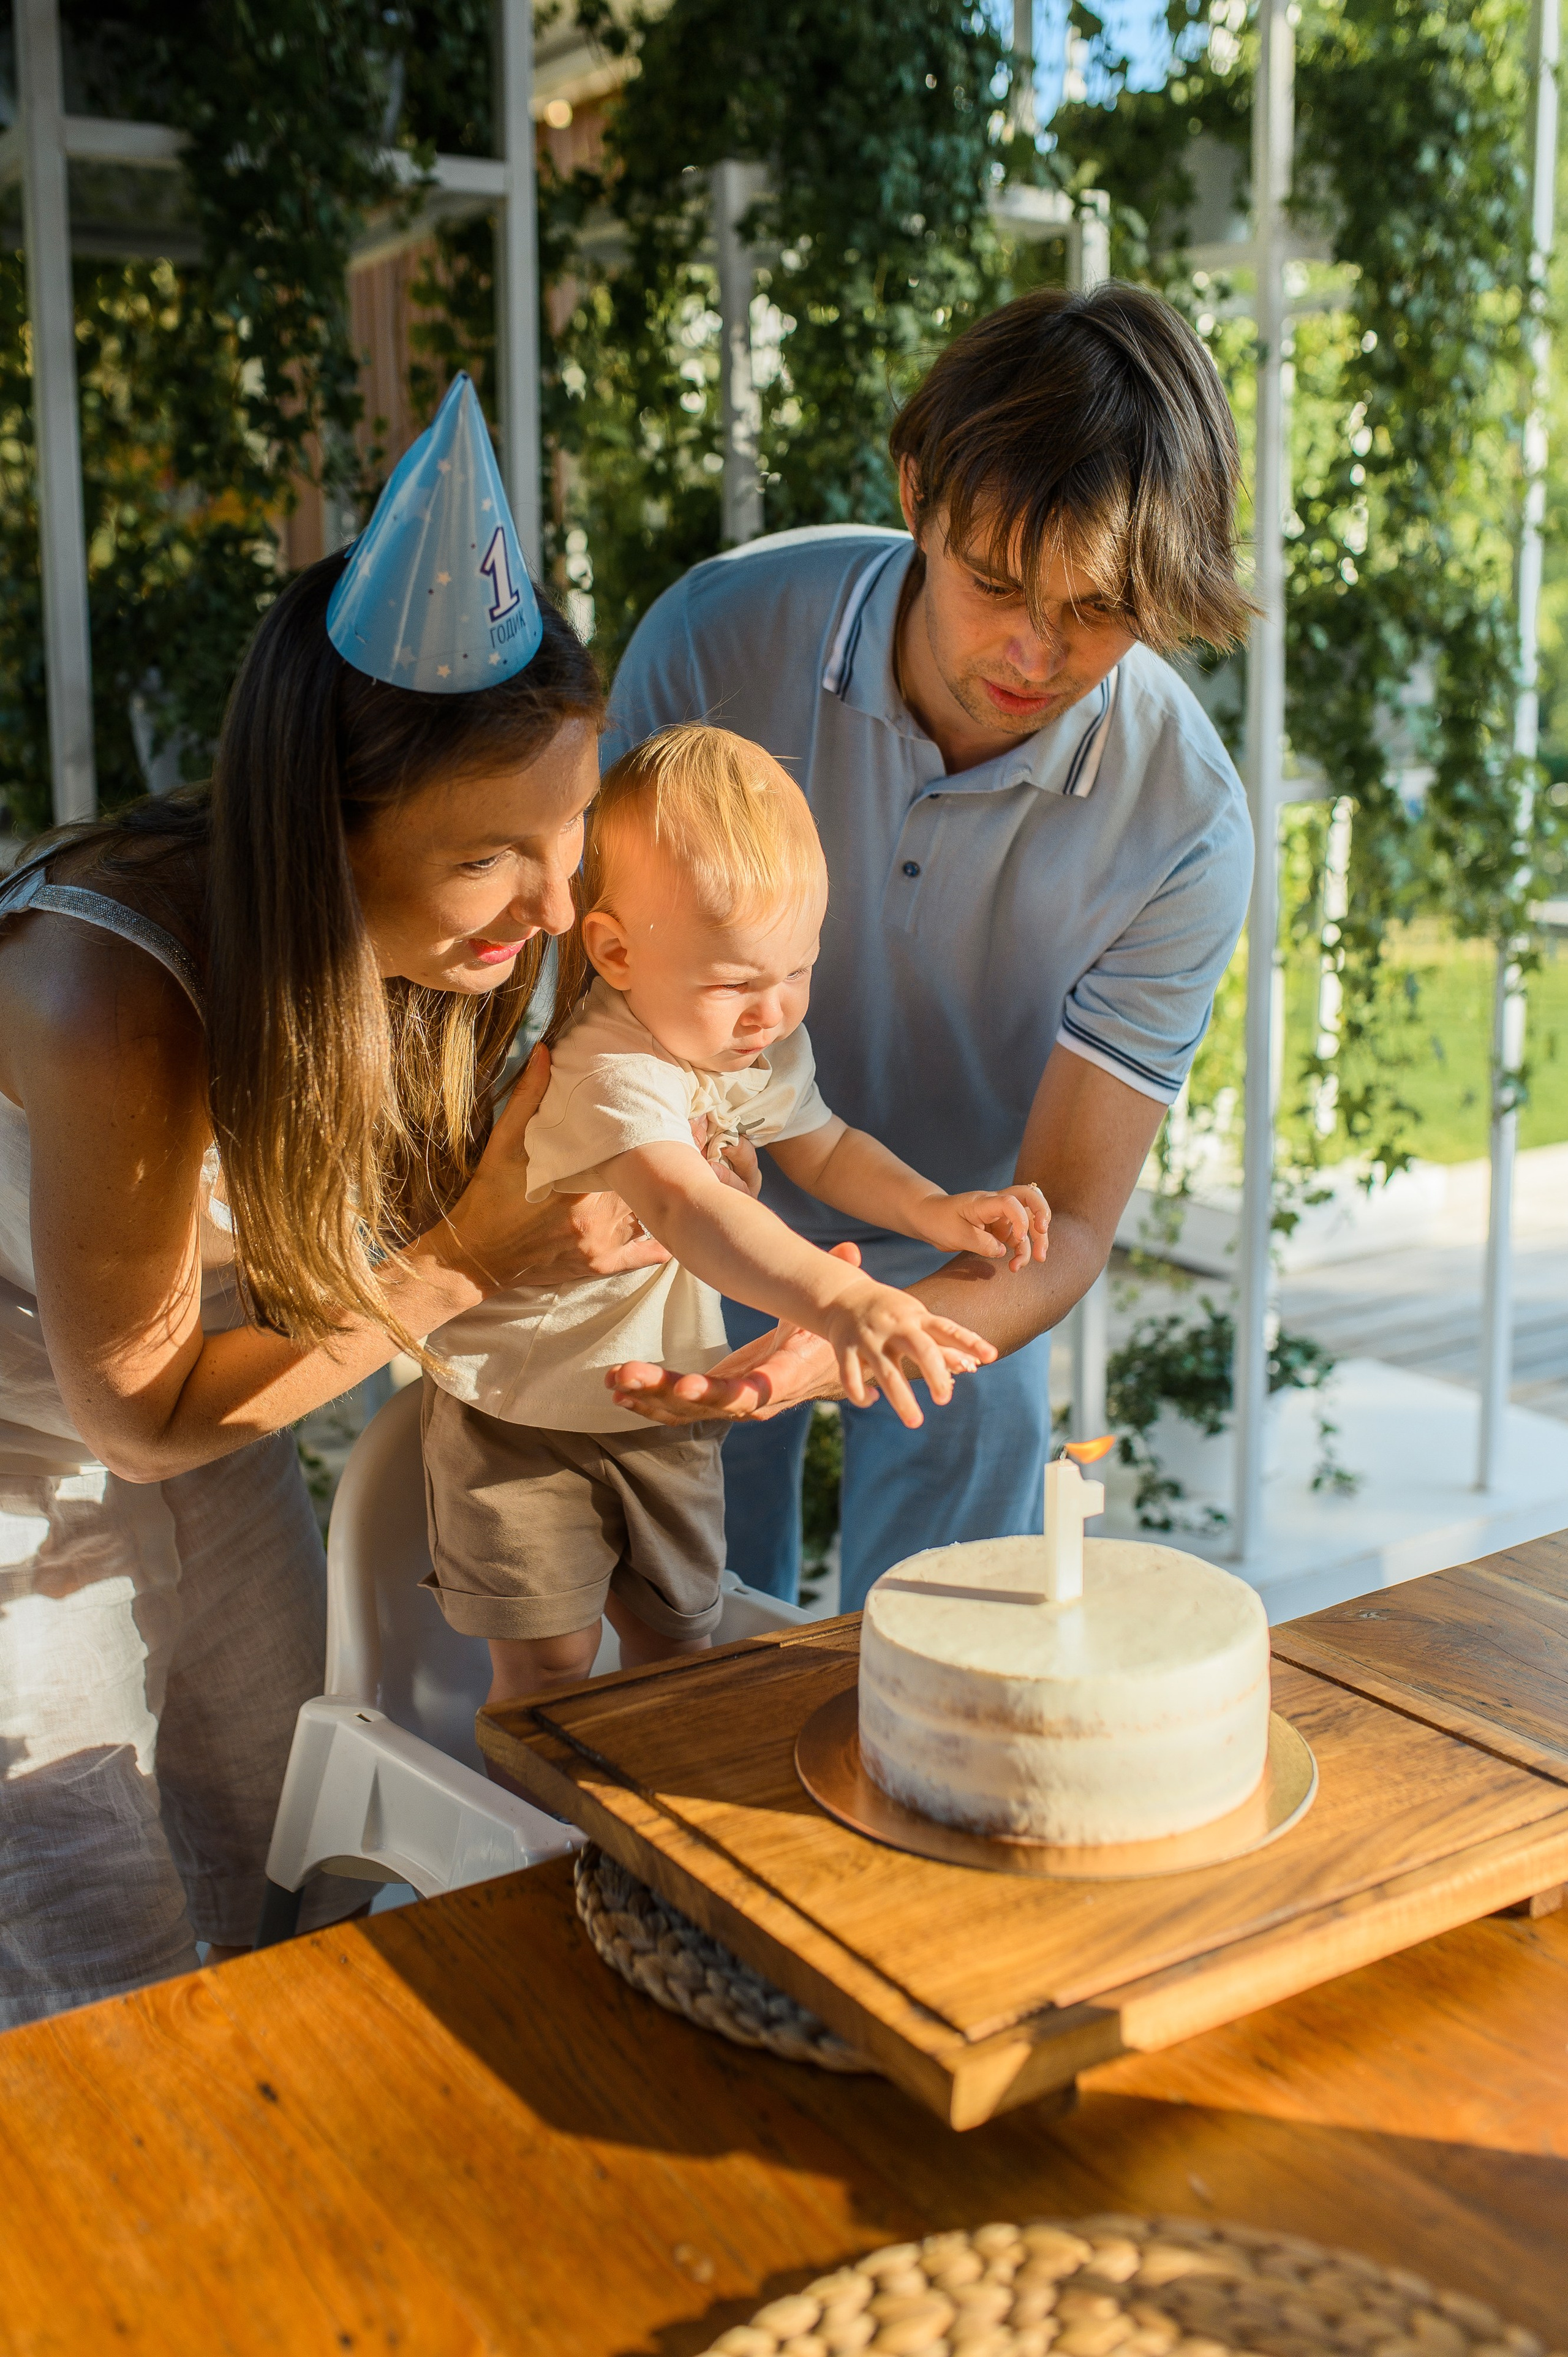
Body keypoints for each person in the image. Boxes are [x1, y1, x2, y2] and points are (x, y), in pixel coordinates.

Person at [0, 374, 655, 2026]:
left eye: (568, 830)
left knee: (267, 1854)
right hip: (49, 1440)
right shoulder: (110, 994)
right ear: (327, 835)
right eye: (492, 855)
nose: (559, 901)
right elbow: (138, 1415)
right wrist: (464, 1261)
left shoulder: (439, 961)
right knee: (92, 1933)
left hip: (196, 1395)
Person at [601, 282, 1256, 1609]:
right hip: (689, 1201)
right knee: (679, 1645)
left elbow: (1064, 1221)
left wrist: (849, 1333)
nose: (1033, 650)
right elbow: (593, 983)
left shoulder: (1185, 822)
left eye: (1098, 609)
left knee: (940, 1662)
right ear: (916, 491)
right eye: (995, 582)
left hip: (967, 1251)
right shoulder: (710, 643)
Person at [420, 723, 1046, 1703]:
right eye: (738, 983)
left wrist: (935, 1213)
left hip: (661, 1404)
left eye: (798, 971)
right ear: (616, 952)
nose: (775, 1013)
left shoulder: (746, 1044)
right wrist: (842, 1297)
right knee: (548, 1669)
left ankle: (650, 1829)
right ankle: (551, 1842)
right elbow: (686, 1203)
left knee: (678, 1638)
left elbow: (827, 1146)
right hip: (522, 1414)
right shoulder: (609, 1070)